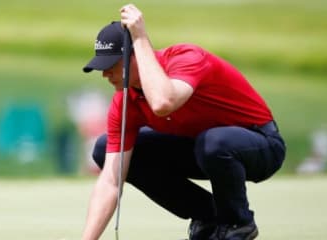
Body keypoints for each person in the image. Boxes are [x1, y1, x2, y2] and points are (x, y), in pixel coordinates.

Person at [81, 4, 286, 240]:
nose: (105, 74)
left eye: (111, 65)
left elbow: (162, 102)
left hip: (261, 146)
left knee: (213, 142)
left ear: (135, 55)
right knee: (103, 147)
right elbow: (110, 181)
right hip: (203, 149)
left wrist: (140, 37)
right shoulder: (125, 102)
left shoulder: (186, 58)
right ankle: (207, 215)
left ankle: (237, 225)